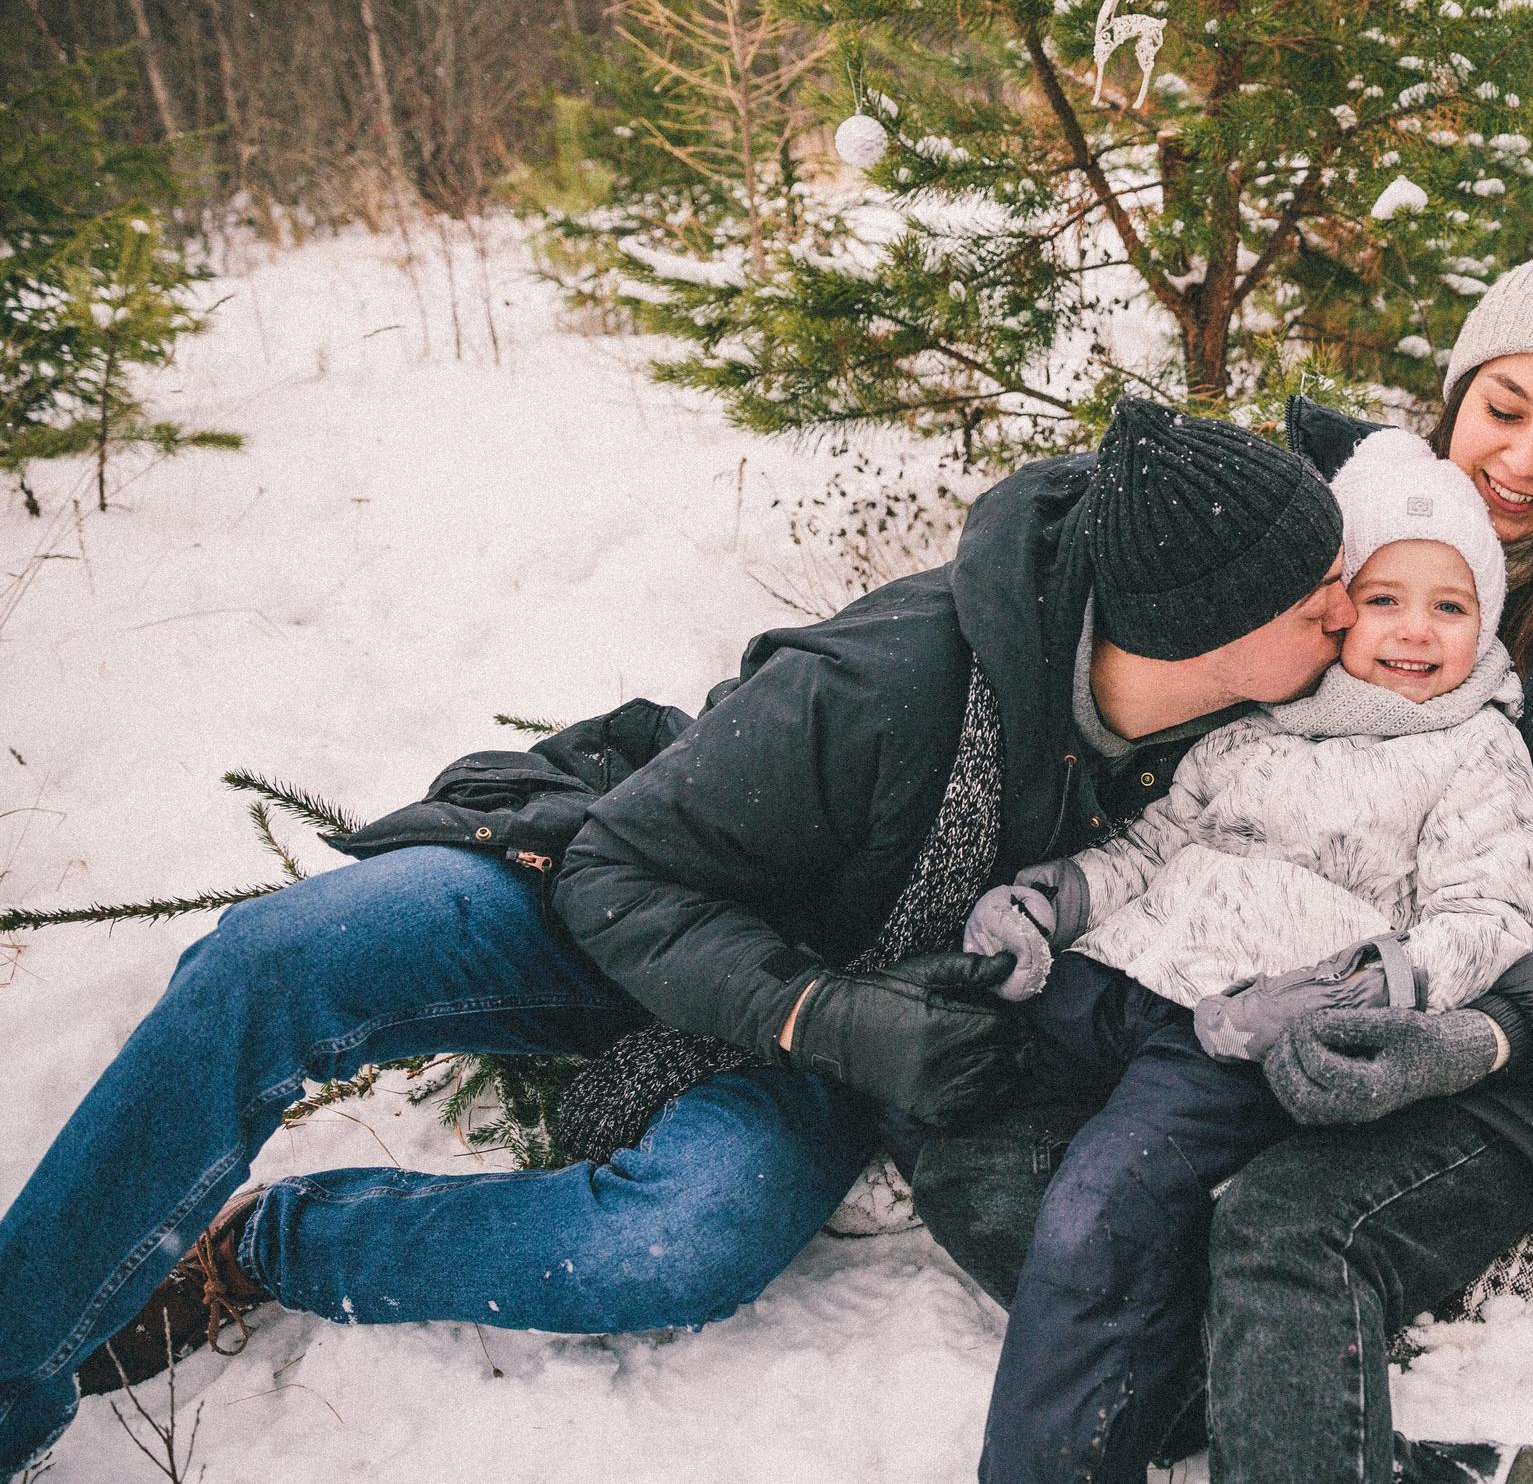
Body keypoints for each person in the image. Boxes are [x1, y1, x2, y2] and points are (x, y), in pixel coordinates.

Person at [0, 399, 1353, 1480]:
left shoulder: (1260, 735)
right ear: (1201, 628)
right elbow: (621, 870)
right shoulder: (888, 679)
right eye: (1321, 599)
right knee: (273, 960)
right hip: (634, 891)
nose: (1352, 616)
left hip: (848, 1044)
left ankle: (283, 1246)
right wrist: (817, 1010)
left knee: (673, 1246)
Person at [910, 244, 1533, 1484]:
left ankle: (1278, 1387)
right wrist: (1071, 897)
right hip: (1241, 982)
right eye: (1503, 410)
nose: (1523, 461)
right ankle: (1310, 1420)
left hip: (1518, 1035)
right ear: (1455, 393)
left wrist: (1474, 1032)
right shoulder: (1322, 524)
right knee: (992, 1168)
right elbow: (1187, 769)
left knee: (1281, 1232)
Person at [963, 425, 1533, 1483]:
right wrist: (1051, 901)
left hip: (1233, 1029)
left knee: (1100, 1208)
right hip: (1113, 975)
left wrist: (1350, 988)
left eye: (1451, 606)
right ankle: (1174, 1371)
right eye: (1383, 597)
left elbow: (1491, 914)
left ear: (1488, 621)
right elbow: (1152, 846)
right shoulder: (1255, 721)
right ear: (1337, 607)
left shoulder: (1474, 747)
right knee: (960, 1110)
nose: (1415, 631)